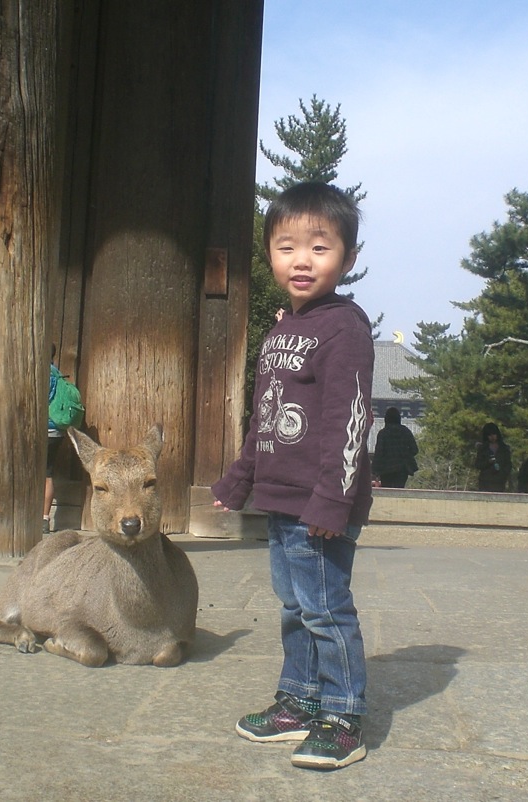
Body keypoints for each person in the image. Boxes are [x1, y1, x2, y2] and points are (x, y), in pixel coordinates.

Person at [211, 182, 373, 771]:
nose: (302, 260)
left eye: (320, 247)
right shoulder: (282, 331)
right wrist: (239, 478)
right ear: (270, 255)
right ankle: (300, 701)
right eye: (286, 247)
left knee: (326, 609)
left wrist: (334, 500)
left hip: (320, 504)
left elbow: (349, 419)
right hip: (282, 500)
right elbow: (267, 416)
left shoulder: (344, 329)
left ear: (348, 259)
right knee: (293, 606)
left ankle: (343, 715)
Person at [371, 407, 419, 488]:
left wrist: (375, 470)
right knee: (399, 489)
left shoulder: (383, 433)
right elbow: (414, 449)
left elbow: (379, 453)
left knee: (387, 490)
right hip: (402, 468)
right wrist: (405, 454)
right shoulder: (405, 431)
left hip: (386, 469)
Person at [44, 345, 64, 534]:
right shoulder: (57, 373)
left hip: (39, 430)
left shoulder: (40, 372)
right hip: (56, 430)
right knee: (48, 475)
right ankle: (45, 517)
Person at [475, 422, 512, 491]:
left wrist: (503, 474)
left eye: (494, 434)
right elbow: (478, 465)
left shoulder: (504, 448)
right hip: (485, 482)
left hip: (499, 482)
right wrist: (488, 462)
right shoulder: (483, 448)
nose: (492, 437)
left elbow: (508, 464)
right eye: (489, 435)